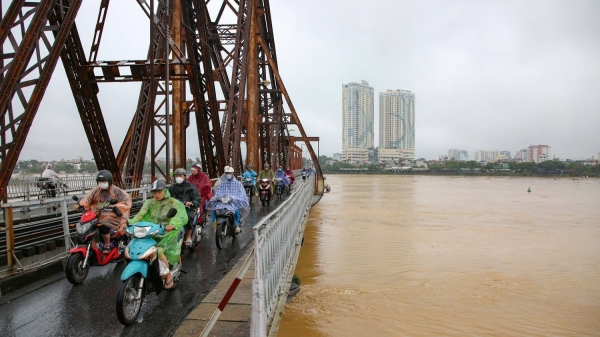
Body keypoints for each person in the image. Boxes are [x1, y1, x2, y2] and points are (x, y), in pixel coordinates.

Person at [128, 180, 187, 289]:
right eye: (154, 192)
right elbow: (140, 215)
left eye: (159, 191)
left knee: (158, 251)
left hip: (168, 232)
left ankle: (167, 274)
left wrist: (172, 224)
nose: (156, 194)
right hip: (151, 230)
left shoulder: (173, 202)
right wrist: (129, 222)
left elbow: (179, 215)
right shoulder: (149, 202)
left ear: (164, 191)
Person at [76, 170, 132, 254]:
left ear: (109, 181)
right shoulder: (96, 190)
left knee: (103, 226)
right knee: (88, 227)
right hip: (97, 215)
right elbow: (87, 199)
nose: (102, 183)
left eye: (104, 181)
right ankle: (94, 247)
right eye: (100, 181)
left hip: (112, 215)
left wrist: (116, 207)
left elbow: (126, 200)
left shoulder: (116, 190)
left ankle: (107, 245)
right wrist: (81, 205)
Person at [207, 166, 249, 233]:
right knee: (215, 208)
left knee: (237, 211)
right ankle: (217, 225)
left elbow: (241, 193)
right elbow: (218, 192)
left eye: (229, 173)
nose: (228, 174)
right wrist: (217, 197)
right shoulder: (223, 183)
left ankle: (236, 225)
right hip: (223, 201)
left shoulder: (238, 183)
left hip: (233, 202)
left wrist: (235, 198)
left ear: (232, 173)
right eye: (226, 173)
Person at [168, 168, 201, 248]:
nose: (178, 177)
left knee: (188, 217)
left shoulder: (191, 187)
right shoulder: (172, 187)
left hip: (188, 208)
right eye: (176, 176)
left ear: (184, 177)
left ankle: (188, 236)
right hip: (176, 208)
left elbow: (197, 199)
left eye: (180, 175)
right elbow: (168, 197)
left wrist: (191, 203)